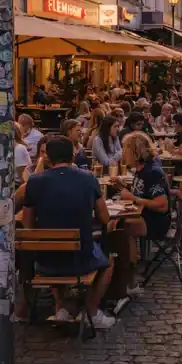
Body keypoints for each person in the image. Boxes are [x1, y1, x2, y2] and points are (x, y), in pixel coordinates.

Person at [22, 136, 117, 328]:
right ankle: (92, 311)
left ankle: (62, 308)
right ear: (73, 155)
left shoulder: (34, 181)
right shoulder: (88, 178)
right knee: (109, 262)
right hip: (80, 259)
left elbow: (28, 224)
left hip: (45, 260)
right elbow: (105, 218)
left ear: (47, 157)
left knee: (54, 246)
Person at [117, 131, 171, 298]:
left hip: (156, 221)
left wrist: (132, 198)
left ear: (134, 152)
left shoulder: (152, 172)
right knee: (115, 226)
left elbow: (162, 205)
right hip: (144, 217)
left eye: (125, 149)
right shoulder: (141, 170)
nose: (122, 153)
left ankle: (130, 281)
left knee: (123, 231)